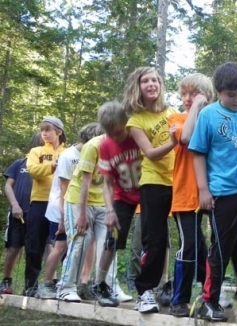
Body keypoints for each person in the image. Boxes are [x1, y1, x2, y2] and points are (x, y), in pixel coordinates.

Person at [188, 62, 237, 322]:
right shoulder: (209, 115)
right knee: (220, 249)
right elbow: (198, 154)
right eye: (232, 95)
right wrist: (203, 190)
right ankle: (209, 302)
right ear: (219, 92)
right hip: (223, 191)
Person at [124, 67, 178, 313]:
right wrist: (173, 142)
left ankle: (186, 291)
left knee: (191, 237)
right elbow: (151, 154)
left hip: (179, 181)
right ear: (138, 87)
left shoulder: (173, 113)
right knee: (154, 240)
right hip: (153, 181)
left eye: (155, 80)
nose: (151, 84)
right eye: (145, 80)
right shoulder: (136, 121)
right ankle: (145, 291)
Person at [36, 122, 103, 300]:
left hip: (84, 206)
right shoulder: (69, 155)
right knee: (60, 245)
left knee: (89, 244)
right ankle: (47, 283)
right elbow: (63, 188)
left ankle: (83, 283)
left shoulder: (94, 154)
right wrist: (64, 217)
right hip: (62, 206)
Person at [167, 73, 213, 317]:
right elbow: (186, 137)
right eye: (184, 94)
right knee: (190, 245)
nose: (186, 98)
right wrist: (196, 105)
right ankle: (179, 299)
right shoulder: (176, 119)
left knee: (211, 247)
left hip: (214, 191)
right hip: (186, 193)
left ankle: (209, 295)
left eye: (193, 94)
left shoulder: (214, 118)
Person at [94, 101, 142, 307]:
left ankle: (158, 286)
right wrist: (110, 210)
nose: (116, 137)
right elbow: (107, 183)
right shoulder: (105, 145)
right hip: (122, 197)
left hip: (147, 193)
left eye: (119, 131)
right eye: (111, 133)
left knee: (154, 239)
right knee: (112, 239)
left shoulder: (136, 133)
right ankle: (100, 285)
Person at [24, 117, 66, 296]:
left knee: (63, 244)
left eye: (48, 129)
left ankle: (63, 284)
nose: (44, 133)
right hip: (40, 201)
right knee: (35, 243)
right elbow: (33, 170)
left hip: (61, 203)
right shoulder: (36, 151)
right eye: (42, 130)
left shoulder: (68, 152)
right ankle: (31, 285)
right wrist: (52, 166)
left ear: (59, 132)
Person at [0, 133, 43, 295]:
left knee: (37, 249)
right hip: (18, 212)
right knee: (13, 247)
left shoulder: (49, 165)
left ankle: (32, 284)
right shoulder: (19, 164)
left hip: (38, 213)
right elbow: (8, 186)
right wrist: (14, 205)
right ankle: (6, 281)